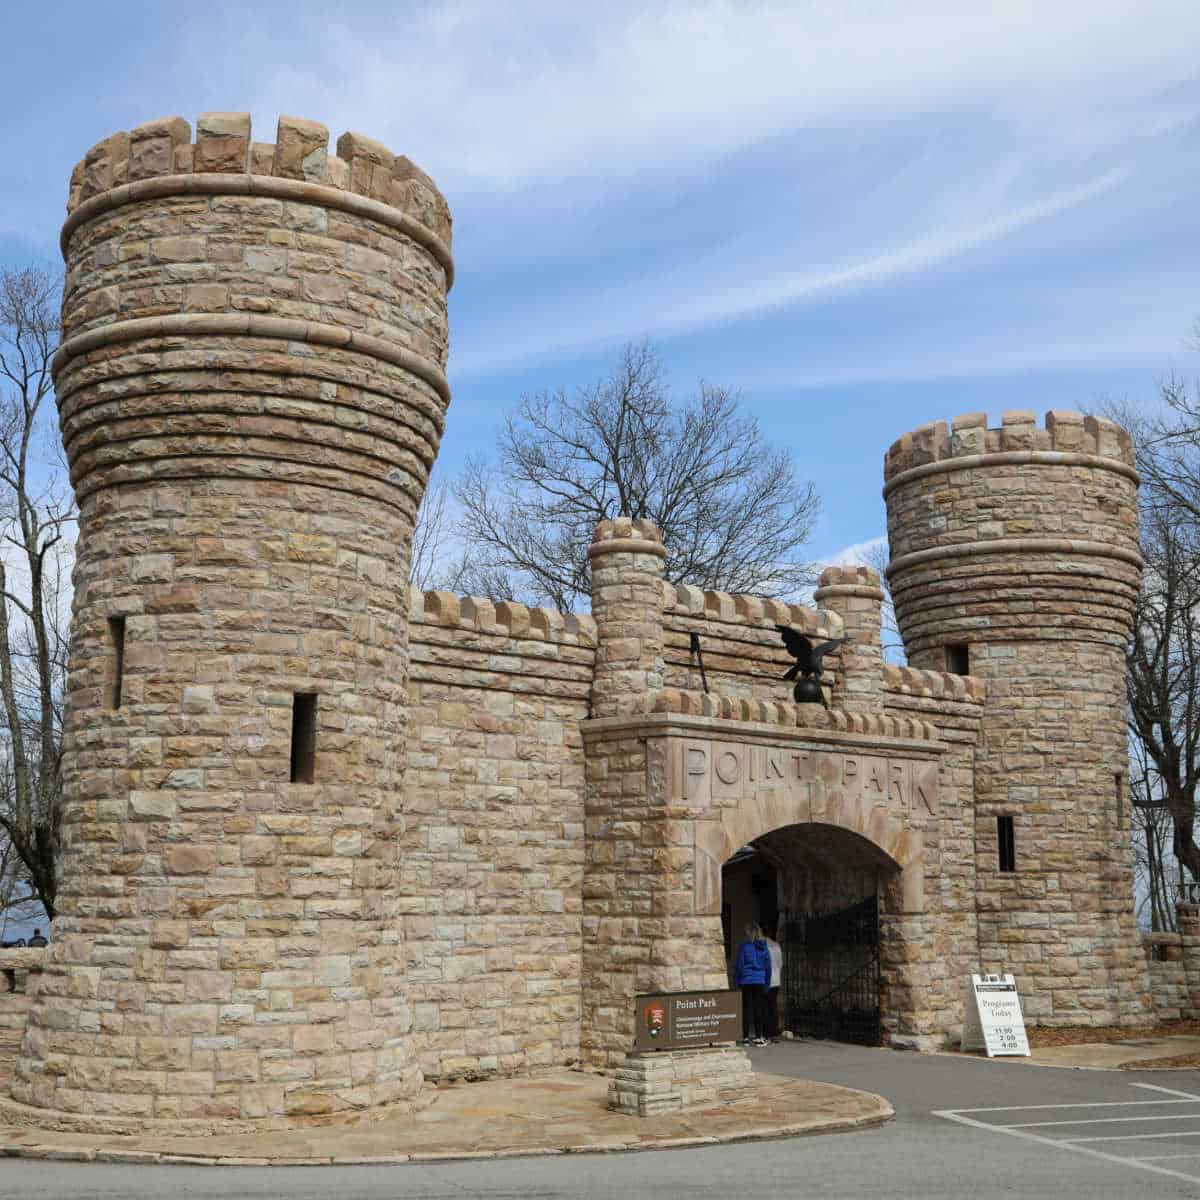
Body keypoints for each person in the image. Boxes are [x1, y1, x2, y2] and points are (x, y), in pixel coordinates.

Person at [733, 923, 771, 1045]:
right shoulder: (764, 948)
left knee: (746, 1009)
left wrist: (737, 981)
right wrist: (767, 984)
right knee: (758, 1009)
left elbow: (739, 965)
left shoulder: (744, 947)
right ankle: (759, 1036)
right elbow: (768, 967)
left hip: (746, 981)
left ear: (749, 933)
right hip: (760, 981)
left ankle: (745, 1037)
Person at [763, 926, 783, 1041]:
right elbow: (780, 963)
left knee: (764, 1006)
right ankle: (773, 1032)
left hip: (766, 979)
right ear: (770, 932)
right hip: (776, 980)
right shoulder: (776, 945)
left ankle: (765, 1032)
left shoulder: (762, 946)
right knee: (773, 1006)